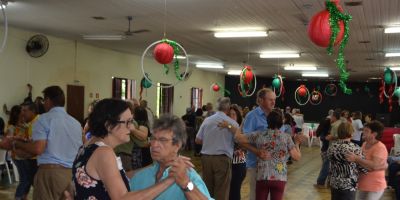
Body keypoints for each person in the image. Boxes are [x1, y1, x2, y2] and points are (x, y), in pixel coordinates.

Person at [72, 99, 189, 199]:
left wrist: (156, 167)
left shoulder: (88, 145)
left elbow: (114, 177)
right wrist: (171, 178)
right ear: (109, 125)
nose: (131, 127)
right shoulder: (104, 152)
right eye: (127, 122)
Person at [7, 86, 83, 200]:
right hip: (70, 174)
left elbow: (38, 149)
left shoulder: (43, 119)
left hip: (50, 173)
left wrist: (16, 144)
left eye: (43, 100)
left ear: (48, 100)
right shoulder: (76, 123)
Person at [130, 114, 212, 200]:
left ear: (177, 145)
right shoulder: (141, 176)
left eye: (162, 140)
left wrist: (186, 183)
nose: (154, 145)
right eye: (153, 138)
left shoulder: (188, 175)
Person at [234, 110, 302, 200]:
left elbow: (237, 138)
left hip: (263, 176)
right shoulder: (286, 138)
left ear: (267, 121)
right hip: (279, 178)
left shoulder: (259, 135)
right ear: (282, 122)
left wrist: (242, 124)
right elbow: (296, 157)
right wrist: (297, 143)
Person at [195, 97, 239, 200]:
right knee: (221, 190)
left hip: (206, 158)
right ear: (228, 109)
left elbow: (197, 140)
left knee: (207, 189)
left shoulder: (207, 120)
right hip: (222, 159)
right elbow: (239, 139)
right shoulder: (232, 123)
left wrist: (210, 142)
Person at [242, 88, 276, 200]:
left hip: (273, 165)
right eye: (270, 99)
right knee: (256, 195)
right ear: (261, 100)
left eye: (274, 100)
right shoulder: (252, 116)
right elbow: (244, 140)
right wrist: (257, 152)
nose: (273, 102)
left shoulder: (275, 115)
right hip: (256, 164)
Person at [346, 121, 388, 200]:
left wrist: (357, 159)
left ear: (374, 134)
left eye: (366, 131)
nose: (363, 132)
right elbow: (369, 166)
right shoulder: (365, 144)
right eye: (364, 130)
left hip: (375, 185)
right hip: (363, 183)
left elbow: (374, 166)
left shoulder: (380, 147)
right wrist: (362, 162)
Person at [327, 122, 367, 200]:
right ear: (351, 133)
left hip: (334, 183)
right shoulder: (355, 148)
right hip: (348, 185)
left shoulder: (331, 147)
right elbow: (363, 168)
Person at [228, 105, 246, 200]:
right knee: (230, 191)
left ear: (238, 116)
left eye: (234, 114)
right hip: (228, 163)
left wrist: (228, 125)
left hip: (238, 163)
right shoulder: (226, 128)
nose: (231, 117)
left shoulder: (240, 127)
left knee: (234, 191)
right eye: (230, 114)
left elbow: (245, 142)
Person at [314, 117, 331, 188]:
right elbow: (324, 138)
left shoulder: (323, 130)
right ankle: (320, 182)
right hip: (326, 150)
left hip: (324, 150)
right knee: (326, 166)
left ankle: (325, 182)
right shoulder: (326, 131)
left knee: (326, 166)